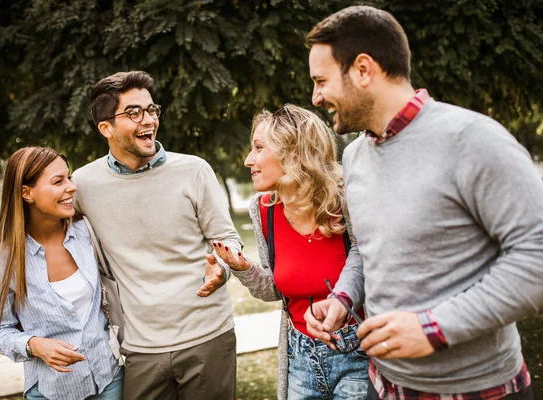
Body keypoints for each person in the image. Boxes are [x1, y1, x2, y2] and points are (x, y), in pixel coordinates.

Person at [303, 5, 543, 399]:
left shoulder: (473, 139)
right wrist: (343, 298)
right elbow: (368, 249)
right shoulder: (355, 157)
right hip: (387, 385)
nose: (316, 97)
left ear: (363, 70)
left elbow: (535, 256)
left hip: (481, 389)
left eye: (321, 81)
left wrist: (435, 328)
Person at [72, 70, 243, 399]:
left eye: (151, 110)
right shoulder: (83, 184)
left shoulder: (194, 170)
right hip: (140, 347)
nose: (148, 120)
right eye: (134, 113)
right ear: (105, 128)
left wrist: (221, 269)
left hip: (207, 336)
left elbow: (228, 238)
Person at [213, 104, 369, 399]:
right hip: (300, 357)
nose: (248, 160)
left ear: (294, 152)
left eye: (259, 148)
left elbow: (369, 265)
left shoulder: (346, 200)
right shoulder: (263, 210)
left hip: (356, 351)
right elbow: (276, 289)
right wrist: (243, 268)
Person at [0, 147, 123, 400]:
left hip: (109, 380)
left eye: (69, 178)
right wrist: (34, 345)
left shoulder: (87, 235)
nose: (71, 187)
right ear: (27, 193)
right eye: (58, 181)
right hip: (51, 391)